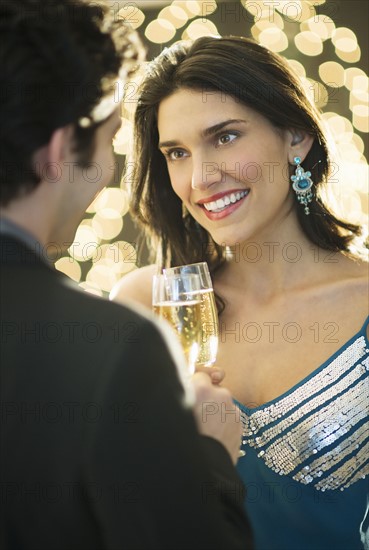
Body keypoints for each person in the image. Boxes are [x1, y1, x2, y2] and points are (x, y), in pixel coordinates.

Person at [0, 3, 254, 549]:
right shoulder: (111, 342)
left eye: (226, 137)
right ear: (56, 151)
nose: (202, 176)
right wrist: (208, 454)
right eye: (110, 142)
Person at [111, 36, 369, 550]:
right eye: (177, 153)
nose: (201, 177)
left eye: (225, 138)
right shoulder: (150, 305)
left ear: (296, 135)